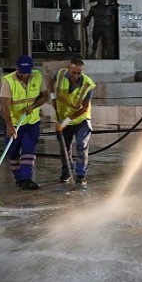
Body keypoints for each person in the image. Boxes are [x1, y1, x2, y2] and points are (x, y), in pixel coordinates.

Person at [0, 55, 49, 190]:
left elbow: (45, 95)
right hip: (15, 122)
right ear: (17, 69)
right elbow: (4, 106)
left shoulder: (37, 76)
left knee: (29, 148)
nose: (25, 75)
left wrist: (33, 107)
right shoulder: (8, 81)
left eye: (28, 72)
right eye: (22, 72)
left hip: (32, 122)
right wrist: (9, 125)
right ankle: (19, 179)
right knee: (13, 153)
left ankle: (27, 178)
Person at [50, 57, 96, 186]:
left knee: (82, 146)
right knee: (64, 147)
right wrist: (52, 97)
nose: (75, 76)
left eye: (78, 73)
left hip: (81, 118)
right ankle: (66, 173)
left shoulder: (88, 84)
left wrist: (66, 121)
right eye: (73, 72)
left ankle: (81, 176)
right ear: (68, 69)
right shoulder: (59, 75)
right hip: (62, 116)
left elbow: (85, 108)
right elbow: (48, 79)